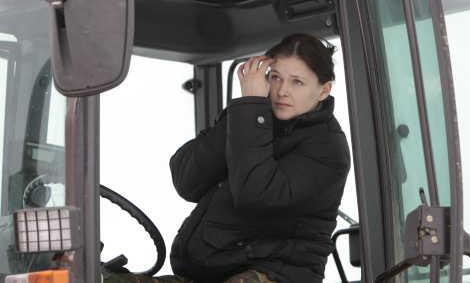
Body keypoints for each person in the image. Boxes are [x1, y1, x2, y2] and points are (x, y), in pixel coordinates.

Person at [103, 33, 350, 283]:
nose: (282, 91)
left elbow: (255, 196)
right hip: (209, 271)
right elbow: (187, 181)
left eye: (297, 82)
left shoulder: (328, 149)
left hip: (276, 274)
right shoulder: (255, 118)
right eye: (275, 77)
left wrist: (251, 108)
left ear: (323, 90)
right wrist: (245, 110)